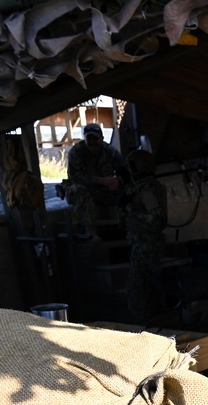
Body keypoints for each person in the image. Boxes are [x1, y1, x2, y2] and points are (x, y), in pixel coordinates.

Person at [119, 148, 168, 323]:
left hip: (147, 248)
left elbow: (157, 220)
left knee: (139, 295)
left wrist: (130, 209)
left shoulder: (148, 189)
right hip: (142, 246)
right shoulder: (141, 187)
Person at [64, 123, 126, 237]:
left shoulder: (111, 152)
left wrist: (118, 181)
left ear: (102, 138)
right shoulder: (76, 152)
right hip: (83, 190)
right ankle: (90, 231)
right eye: (89, 138)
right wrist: (101, 181)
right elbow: (76, 177)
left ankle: (126, 228)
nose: (92, 142)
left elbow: (124, 171)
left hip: (104, 191)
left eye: (95, 138)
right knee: (79, 190)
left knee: (128, 190)